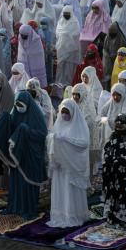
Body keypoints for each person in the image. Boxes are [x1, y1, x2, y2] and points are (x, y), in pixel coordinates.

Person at [0, 90, 48, 219]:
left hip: (30, 156)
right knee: (17, 183)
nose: (18, 107)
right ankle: (15, 207)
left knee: (27, 185)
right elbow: (11, 130)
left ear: (28, 103)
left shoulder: (36, 115)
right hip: (18, 157)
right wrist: (5, 120)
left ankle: (28, 208)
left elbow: (42, 134)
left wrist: (26, 131)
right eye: (16, 104)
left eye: (21, 105)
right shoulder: (15, 113)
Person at [47, 98, 91, 228]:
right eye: (63, 112)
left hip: (72, 168)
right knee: (61, 191)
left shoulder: (79, 125)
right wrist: (52, 138)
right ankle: (60, 215)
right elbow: (52, 140)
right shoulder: (58, 124)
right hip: (60, 167)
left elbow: (84, 144)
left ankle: (73, 215)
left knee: (70, 192)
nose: (64, 115)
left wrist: (66, 140)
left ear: (73, 112)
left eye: (67, 112)